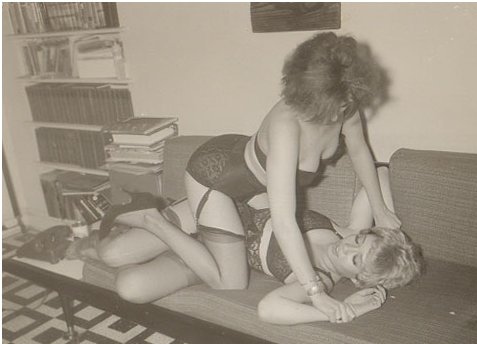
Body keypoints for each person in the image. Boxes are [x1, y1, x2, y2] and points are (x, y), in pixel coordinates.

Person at [179, 32, 400, 321]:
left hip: (256, 199)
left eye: (345, 103)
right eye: (329, 108)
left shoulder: (344, 103)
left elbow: (360, 154)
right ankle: (155, 215)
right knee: (231, 282)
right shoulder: (287, 126)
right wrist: (315, 293)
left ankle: (172, 218)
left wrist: (382, 212)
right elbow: (284, 221)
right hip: (217, 179)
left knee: (135, 263)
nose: (339, 116)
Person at [92, 166, 423, 325]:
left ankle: (149, 219)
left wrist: (337, 310)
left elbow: (268, 309)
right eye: (359, 241)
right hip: (219, 212)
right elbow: (381, 173)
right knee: (111, 253)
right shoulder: (347, 229)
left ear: (358, 279)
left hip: (213, 256)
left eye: (355, 260)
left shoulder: (318, 280)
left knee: (130, 287)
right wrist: (380, 221)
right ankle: (126, 223)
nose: (346, 248)